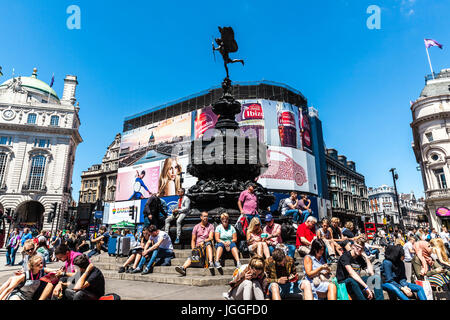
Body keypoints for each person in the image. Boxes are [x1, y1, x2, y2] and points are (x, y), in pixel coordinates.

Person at [175, 212, 215, 276]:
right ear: (201, 217)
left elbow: (210, 237)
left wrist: (203, 242)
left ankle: (211, 263)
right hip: (198, 246)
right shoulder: (196, 227)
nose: (206, 218)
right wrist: (193, 249)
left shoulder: (210, 226)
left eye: (207, 216)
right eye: (204, 216)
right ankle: (183, 268)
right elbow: (193, 240)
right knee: (193, 255)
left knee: (208, 244)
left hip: (206, 244)